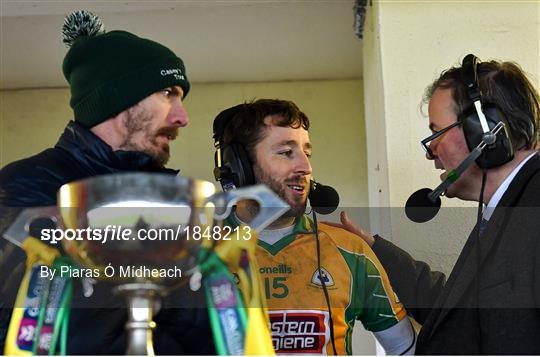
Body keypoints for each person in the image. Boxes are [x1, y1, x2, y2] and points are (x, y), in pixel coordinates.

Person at [0, 10, 214, 354]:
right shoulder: (24, 187)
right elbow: (40, 330)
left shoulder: (175, 201)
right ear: (117, 98)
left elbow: (212, 335)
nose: (182, 117)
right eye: (167, 93)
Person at [332, 55, 540, 354]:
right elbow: (458, 314)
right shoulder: (504, 211)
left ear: (485, 132)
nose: (431, 151)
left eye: (437, 132)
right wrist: (373, 249)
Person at [212, 99, 416, 355]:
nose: (306, 167)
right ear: (240, 169)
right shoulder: (193, 252)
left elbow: (403, 346)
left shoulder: (351, 251)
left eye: (306, 153)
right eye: (286, 152)